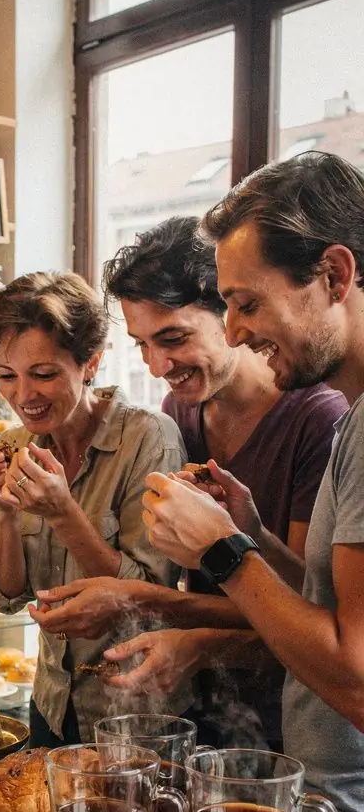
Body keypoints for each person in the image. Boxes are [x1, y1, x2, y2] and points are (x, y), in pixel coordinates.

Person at [138, 152, 364, 812]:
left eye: (244, 304)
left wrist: (226, 552)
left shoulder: (347, 420)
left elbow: (355, 671)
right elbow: (321, 599)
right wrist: (259, 537)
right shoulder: (357, 420)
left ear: (334, 270)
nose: (239, 331)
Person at [32, 217, 345, 746]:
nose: (158, 366)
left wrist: (176, 624)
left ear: (232, 312)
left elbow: (311, 618)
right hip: (203, 712)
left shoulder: (317, 418)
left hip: (291, 725)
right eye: (142, 345)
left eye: (173, 338)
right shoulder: (181, 410)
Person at [0, 271, 186, 747]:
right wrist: (4, 512)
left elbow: (148, 599)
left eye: (43, 374)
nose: (23, 396)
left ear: (90, 362)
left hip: (133, 713)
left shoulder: (148, 438)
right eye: (7, 376)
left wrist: (63, 512)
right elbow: (5, 595)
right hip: (50, 703)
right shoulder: (14, 445)